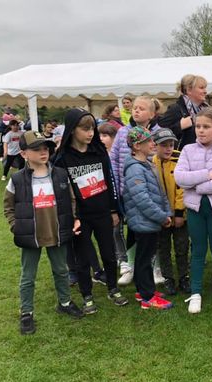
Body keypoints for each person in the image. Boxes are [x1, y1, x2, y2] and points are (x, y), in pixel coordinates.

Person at [3, 131, 84, 334]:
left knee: (61, 270)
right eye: (36, 149)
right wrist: (15, 226)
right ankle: (27, 313)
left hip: (57, 232)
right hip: (31, 235)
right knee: (28, 275)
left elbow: (71, 199)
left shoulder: (60, 174)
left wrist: (74, 218)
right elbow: (8, 206)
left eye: (45, 148)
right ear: (24, 154)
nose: (43, 152)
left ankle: (64, 302)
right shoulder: (17, 179)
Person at [53, 108, 128, 314]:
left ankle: (113, 288)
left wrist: (114, 210)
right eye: (85, 129)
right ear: (72, 129)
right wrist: (71, 217)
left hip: (103, 212)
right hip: (80, 218)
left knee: (109, 254)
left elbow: (110, 182)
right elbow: (60, 192)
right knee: (83, 259)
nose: (90, 133)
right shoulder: (62, 158)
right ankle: (87, 295)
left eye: (92, 128)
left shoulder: (99, 151)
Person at [174, 108, 212, 314]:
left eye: (206, 127)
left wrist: (197, 187)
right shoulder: (187, 150)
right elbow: (180, 177)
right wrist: (207, 175)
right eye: (198, 126)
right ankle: (196, 293)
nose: (200, 130)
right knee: (198, 251)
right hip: (195, 210)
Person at [122, 126, 174, 310]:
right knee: (145, 259)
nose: (153, 143)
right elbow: (142, 199)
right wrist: (161, 217)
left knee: (145, 257)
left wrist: (166, 212)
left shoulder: (147, 164)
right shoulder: (135, 169)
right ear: (137, 146)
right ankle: (147, 297)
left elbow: (159, 192)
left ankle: (142, 290)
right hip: (144, 222)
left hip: (150, 220)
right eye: (149, 141)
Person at [110, 96, 156, 284]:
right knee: (132, 230)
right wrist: (116, 186)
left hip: (149, 191)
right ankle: (130, 266)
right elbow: (114, 160)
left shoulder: (156, 133)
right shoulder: (122, 132)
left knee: (150, 232)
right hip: (126, 192)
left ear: (152, 114)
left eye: (142, 108)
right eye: (135, 108)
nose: (136, 111)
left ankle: (153, 267)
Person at [152, 127, 191, 296]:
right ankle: (168, 278)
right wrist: (161, 215)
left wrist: (179, 213)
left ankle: (183, 277)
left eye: (171, 145)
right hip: (162, 216)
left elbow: (182, 187)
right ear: (155, 146)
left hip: (179, 215)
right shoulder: (151, 163)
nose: (168, 149)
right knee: (163, 248)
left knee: (182, 247)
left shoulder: (179, 159)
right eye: (164, 145)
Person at [98, 122, 131, 283]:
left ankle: (125, 259)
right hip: (106, 199)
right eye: (100, 135)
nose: (101, 138)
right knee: (112, 230)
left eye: (105, 135)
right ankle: (118, 257)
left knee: (120, 230)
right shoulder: (98, 156)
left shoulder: (118, 156)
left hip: (121, 195)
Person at [158, 74, 208, 150]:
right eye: (201, 88)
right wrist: (179, 126)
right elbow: (159, 132)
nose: (205, 91)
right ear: (189, 90)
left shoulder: (207, 110)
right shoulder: (176, 109)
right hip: (183, 154)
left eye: (205, 88)